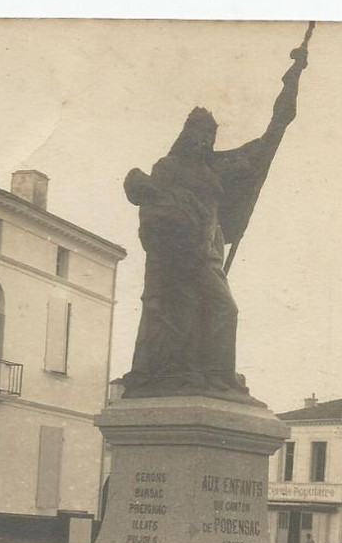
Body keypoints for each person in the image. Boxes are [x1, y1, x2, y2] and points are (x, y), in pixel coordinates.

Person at [121, 28, 312, 400]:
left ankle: (216, 375)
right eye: (198, 132)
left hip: (207, 254)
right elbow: (153, 214)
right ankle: (198, 374)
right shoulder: (168, 167)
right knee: (198, 313)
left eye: (209, 134)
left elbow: (273, 132)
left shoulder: (217, 168)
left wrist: (292, 79)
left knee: (221, 310)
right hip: (177, 258)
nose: (204, 140)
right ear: (186, 133)